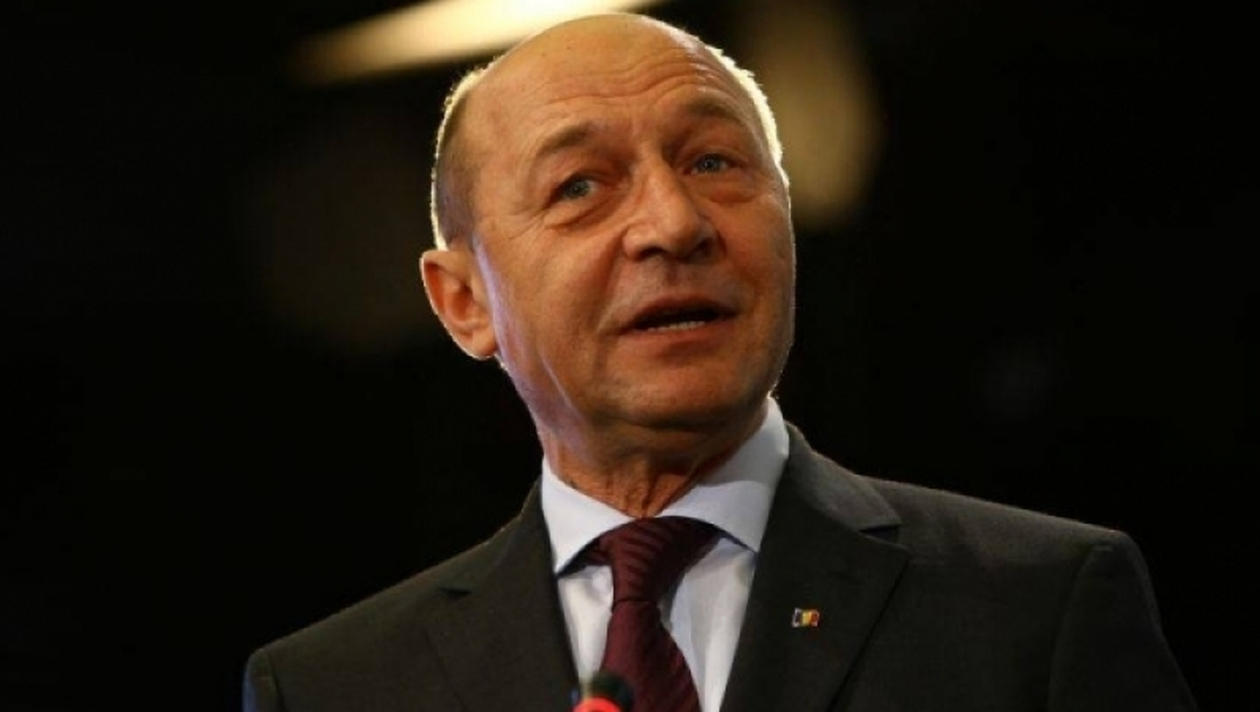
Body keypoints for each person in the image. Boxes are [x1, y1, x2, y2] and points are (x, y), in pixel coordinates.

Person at [243, 13, 1196, 712]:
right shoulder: (333, 687)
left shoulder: (1037, 607)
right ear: (465, 302)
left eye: (712, 163)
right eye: (580, 186)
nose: (674, 223)